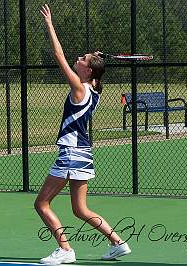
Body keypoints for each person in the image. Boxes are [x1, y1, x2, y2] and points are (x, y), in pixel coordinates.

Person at [34, 4, 131, 265]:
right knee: (80, 209)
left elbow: (58, 55)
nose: (79, 58)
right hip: (85, 154)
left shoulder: (79, 88)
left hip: (71, 153)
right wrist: (95, 59)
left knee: (42, 204)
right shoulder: (96, 90)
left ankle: (65, 250)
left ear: (87, 71)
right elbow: (94, 73)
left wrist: (50, 25)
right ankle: (118, 243)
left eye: (83, 60)